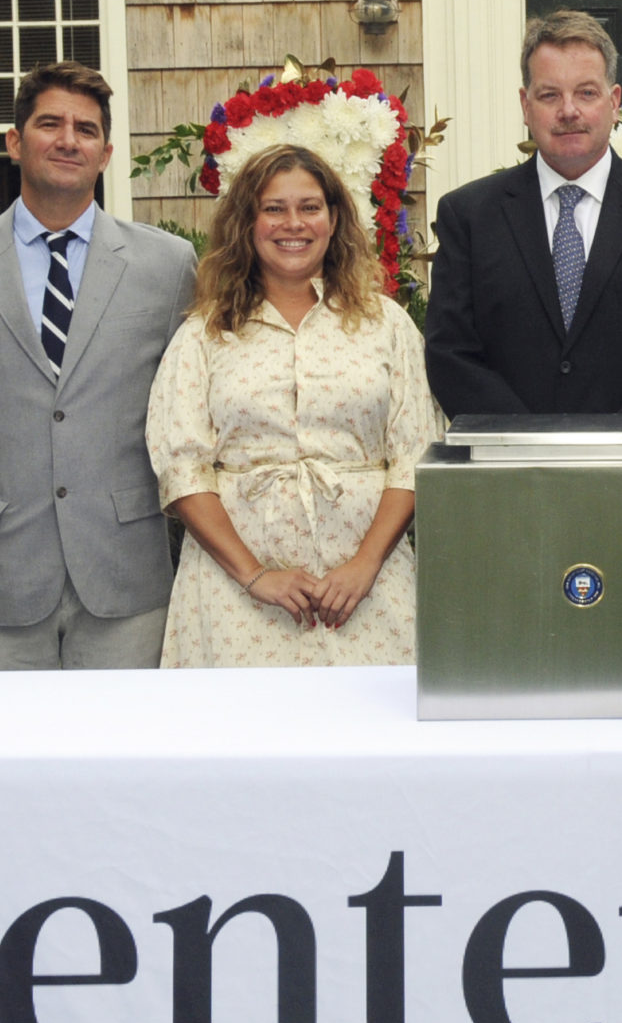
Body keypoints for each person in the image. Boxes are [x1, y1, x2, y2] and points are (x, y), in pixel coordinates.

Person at [0, 60, 196, 671]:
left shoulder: (166, 267)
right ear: (15, 142)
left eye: (86, 130)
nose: (69, 140)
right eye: (50, 124)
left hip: (122, 567)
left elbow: (182, 407)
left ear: (106, 152)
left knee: (119, 763)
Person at [145, 144, 438, 667]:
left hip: (365, 588)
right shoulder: (204, 334)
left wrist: (364, 565)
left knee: (370, 737)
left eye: (309, 207)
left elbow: (416, 454)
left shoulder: (386, 325)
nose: (293, 223)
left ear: (333, 218)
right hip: (233, 592)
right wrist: (255, 575)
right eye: (273, 208)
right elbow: (181, 467)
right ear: (247, 223)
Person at [424, 9, 622, 416]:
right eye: (549, 95)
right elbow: (451, 355)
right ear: (525, 104)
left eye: (586, 93)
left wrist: (612, 446)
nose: (568, 110)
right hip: (511, 469)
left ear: (614, 101)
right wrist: (532, 448)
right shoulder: (468, 216)